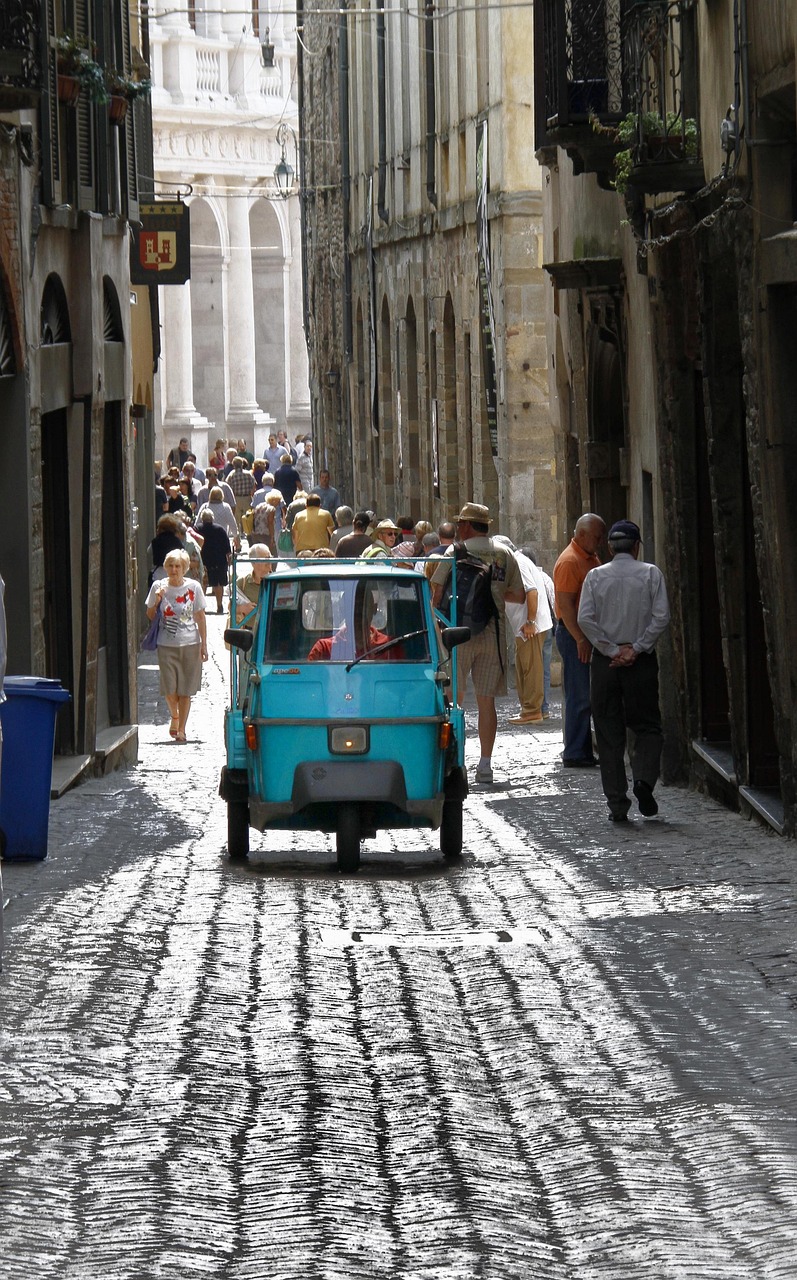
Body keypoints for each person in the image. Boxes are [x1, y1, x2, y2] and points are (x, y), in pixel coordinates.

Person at [577, 519, 671, 821]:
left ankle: (617, 803)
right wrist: (637, 648)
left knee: (608, 732)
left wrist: (613, 651)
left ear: (609, 547)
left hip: (607, 663)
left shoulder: (594, 577)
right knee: (647, 726)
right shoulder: (651, 574)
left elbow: (585, 619)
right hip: (640, 662)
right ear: (636, 546)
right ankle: (643, 780)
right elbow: (661, 617)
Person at [431, 502, 525, 784]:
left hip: (457, 633)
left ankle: (454, 760)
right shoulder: (504, 553)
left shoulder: (454, 552)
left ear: (467, 526)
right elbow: (519, 596)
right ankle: (485, 765)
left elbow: (436, 595)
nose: (459, 527)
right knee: (487, 702)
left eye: (461, 523)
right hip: (492, 633)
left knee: (452, 701)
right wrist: (492, 595)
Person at [553, 513, 606, 768]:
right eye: (596, 537)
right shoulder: (570, 561)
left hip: (584, 635)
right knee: (579, 694)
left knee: (584, 693)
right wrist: (580, 639)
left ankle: (582, 749)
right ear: (582, 534)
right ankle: (574, 752)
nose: (599, 542)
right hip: (574, 635)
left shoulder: (588, 556)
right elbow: (565, 606)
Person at [145, 549, 207, 743]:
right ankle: (174, 715)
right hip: (166, 644)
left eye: (177, 566)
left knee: (185, 691)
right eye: (170, 566)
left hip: (190, 643)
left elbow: (200, 617)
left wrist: (204, 645)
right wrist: (157, 600)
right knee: (169, 689)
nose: (173, 569)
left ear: (185, 568)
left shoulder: (194, 587)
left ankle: (181, 730)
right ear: (165, 567)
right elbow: (150, 616)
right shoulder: (158, 586)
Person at [501, 541, 552, 725]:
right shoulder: (518, 561)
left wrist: (530, 622)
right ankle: (530, 708)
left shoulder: (518, 562)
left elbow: (531, 592)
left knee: (531, 668)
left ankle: (532, 710)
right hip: (525, 625)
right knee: (525, 667)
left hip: (529, 626)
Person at [308, 581, 395, 662]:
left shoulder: (390, 646)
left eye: (363, 606)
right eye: (352, 606)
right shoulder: (323, 649)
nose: (357, 612)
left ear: (374, 608)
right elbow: (307, 676)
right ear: (342, 610)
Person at [196, 510, 231, 614]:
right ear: (212, 518)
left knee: (203, 583)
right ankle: (219, 606)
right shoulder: (220, 529)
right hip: (219, 560)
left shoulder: (198, 529)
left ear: (202, 518)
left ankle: (201, 607)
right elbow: (227, 547)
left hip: (204, 560)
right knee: (218, 584)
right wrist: (229, 558)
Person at [234, 544, 274, 626]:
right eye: (265, 559)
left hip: (271, 632)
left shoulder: (277, 581)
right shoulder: (243, 582)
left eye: (270, 557)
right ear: (253, 562)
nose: (269, 561)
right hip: (249, 633)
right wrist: (242, 608)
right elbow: (230, 607)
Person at [149, 513, 184, 584]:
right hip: (174, 572)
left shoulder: (156, 541)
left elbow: (149, 551)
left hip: (159, 573)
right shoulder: (177, 541)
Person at [227, 456, 256, 533]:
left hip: (236, 498)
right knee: (248, 517)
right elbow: (254, 485)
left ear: (233, 465)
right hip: (247, 497)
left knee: (236, 518)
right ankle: (248, 534)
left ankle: (238, 537)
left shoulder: (231, 475)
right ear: (242, 464)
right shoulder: (248, 474)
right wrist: (251, 493)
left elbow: (228, 487)